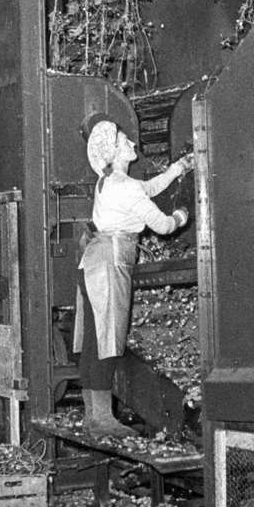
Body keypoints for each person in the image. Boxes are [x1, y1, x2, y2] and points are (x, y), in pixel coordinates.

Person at [73, 116, 193, 437]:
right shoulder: (123, 188)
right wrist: (182, 213)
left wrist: (177, 169)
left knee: (94, 339)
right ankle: (101, 419)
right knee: (107, 340)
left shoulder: (111, 182)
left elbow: (149, 188)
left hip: (95, 261)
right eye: (125, 141)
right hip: (110, 263)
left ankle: (93, 415)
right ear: (113, 152)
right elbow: (164, 226)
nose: (132, 144)